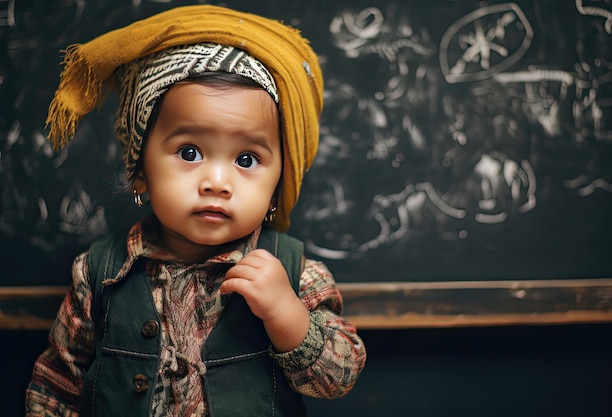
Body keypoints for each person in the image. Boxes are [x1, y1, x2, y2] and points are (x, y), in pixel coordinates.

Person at [25, 5, 366, 417]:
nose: (217, 182)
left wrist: (285, 312)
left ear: (278, 185)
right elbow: (57, 388)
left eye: (246, 159)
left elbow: (339, 377)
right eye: (190, 152)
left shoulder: (294, 272)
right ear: (140, 173)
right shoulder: (98, 273)